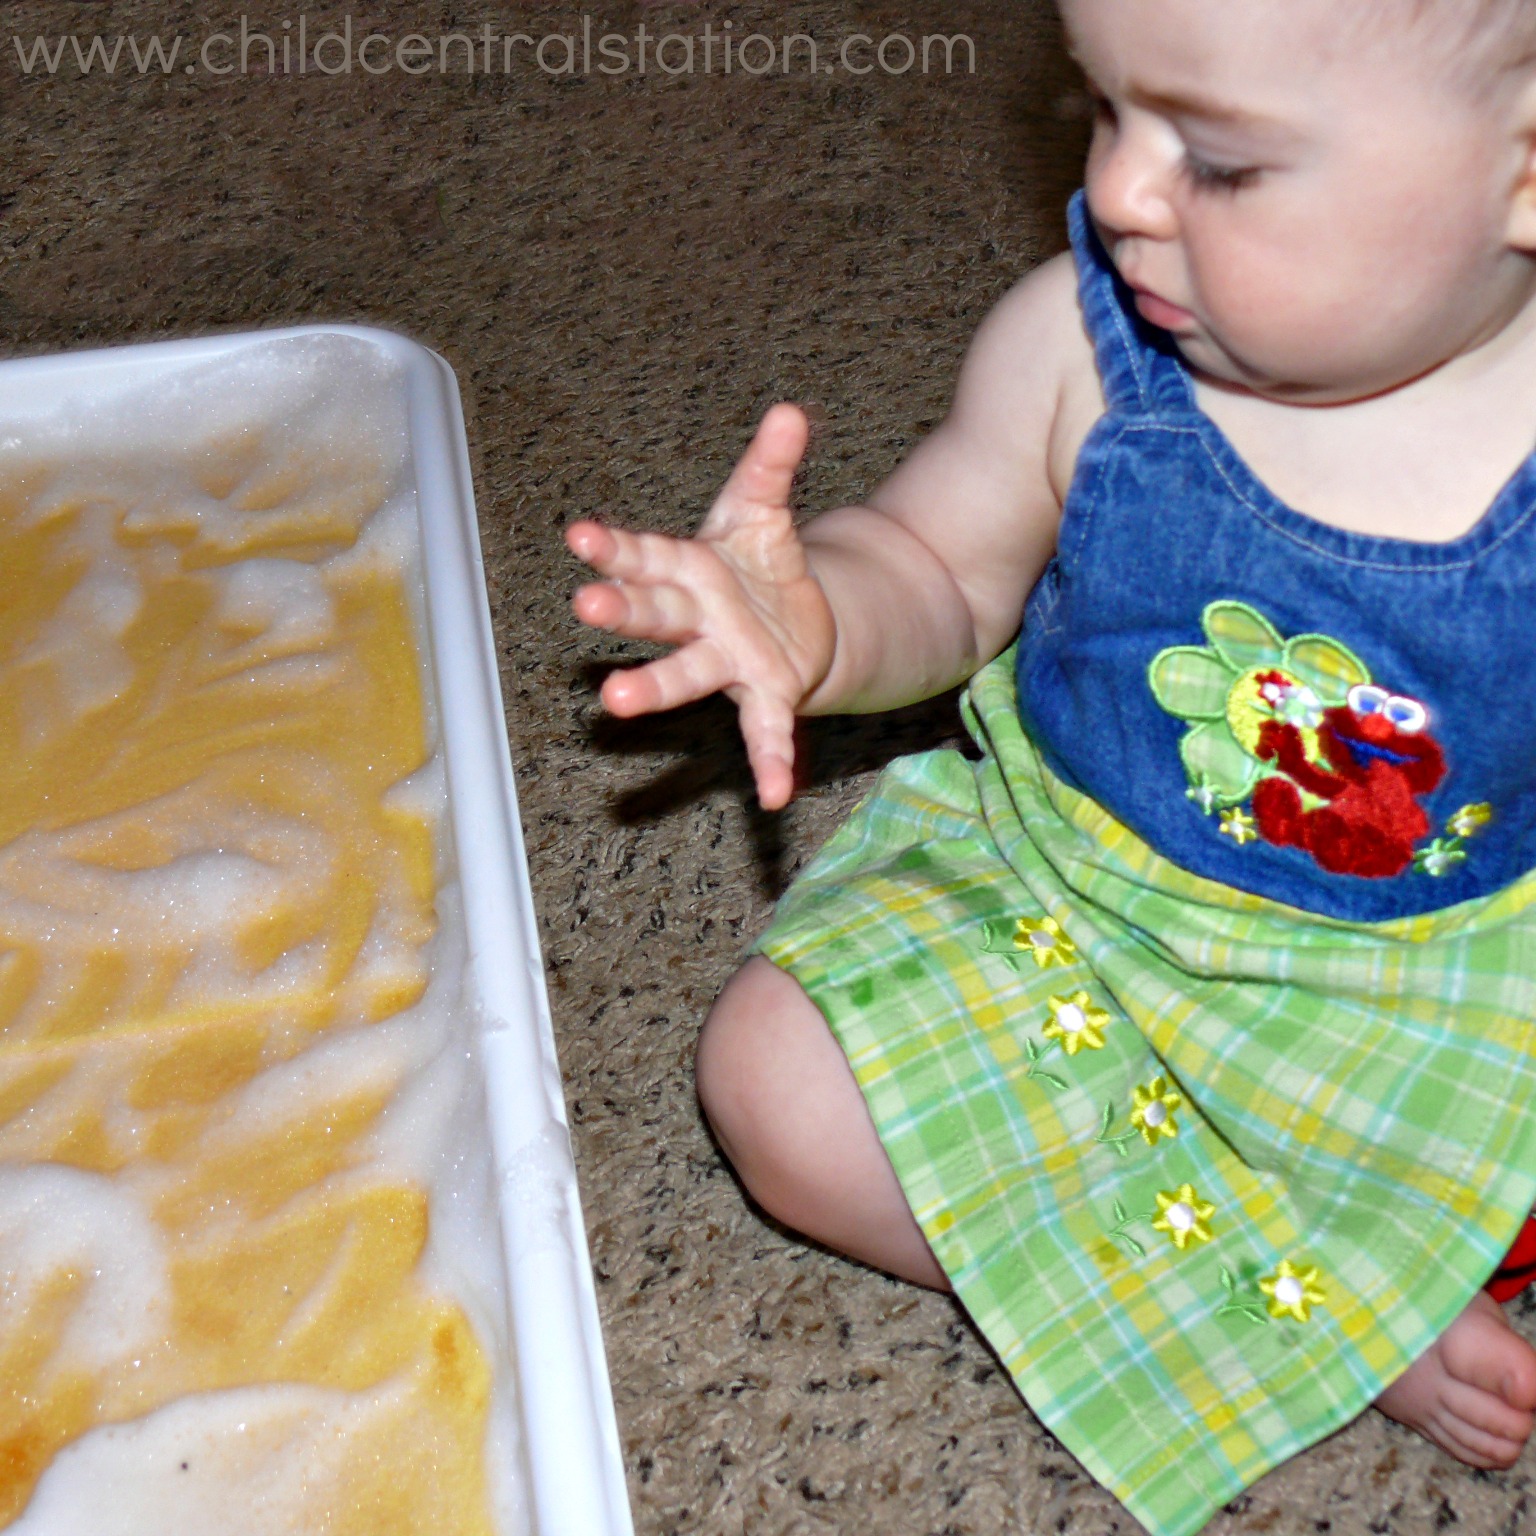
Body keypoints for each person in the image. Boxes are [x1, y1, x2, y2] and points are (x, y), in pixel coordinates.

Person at [566, 1, 1536, 1530]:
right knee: (777, 1090)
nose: (1122, 195)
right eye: (1107, 107)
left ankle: (1364, 1255)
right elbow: (935, 570)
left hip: (1429, 982)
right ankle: (1320, 1315)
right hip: (1077, 906)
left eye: (1217, 158)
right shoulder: (1078, 348)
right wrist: (812, 617)